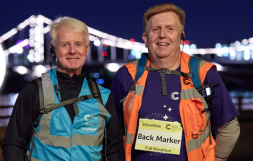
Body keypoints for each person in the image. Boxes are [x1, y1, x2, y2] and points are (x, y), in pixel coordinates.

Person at [110, 3, 240, 161]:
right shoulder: (126, 76)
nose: (162, 35)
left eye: (170, 29)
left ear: (181, 37)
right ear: (145, 38)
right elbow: (111, 132)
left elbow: (230, 129)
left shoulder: (203, 74)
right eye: (155, 29)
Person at [2, 17, 124, 161]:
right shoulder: (34, 92)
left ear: (87, 49)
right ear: (53, 49)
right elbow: (13, 146)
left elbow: (115, 150)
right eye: (65, 44)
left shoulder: (103, 97)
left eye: (78, 44)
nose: (72, 51)